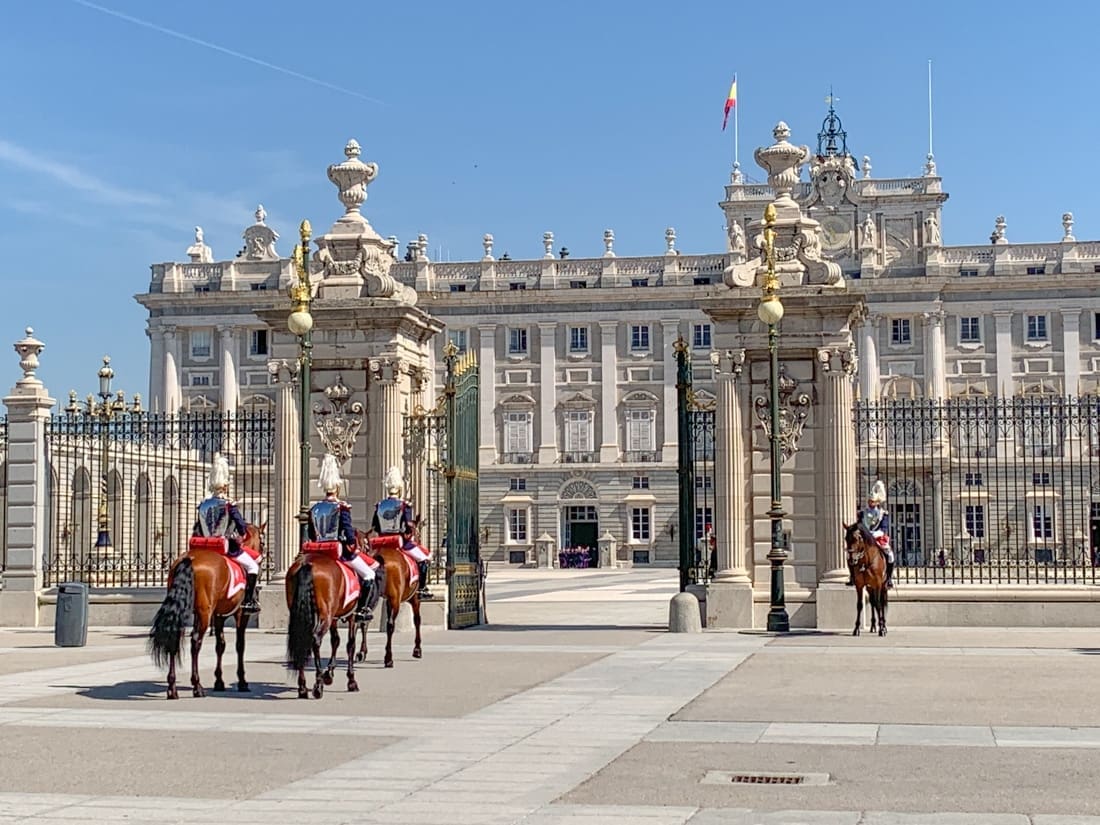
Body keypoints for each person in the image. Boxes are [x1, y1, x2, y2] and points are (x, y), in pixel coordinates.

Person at [307, 454, 379, 622]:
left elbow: (312, 534)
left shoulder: (315, 509)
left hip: (320, 552)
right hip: (339, 553)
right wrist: (353, 545)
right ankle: (362, 609)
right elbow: (347, 532)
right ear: (337, 488)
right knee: (369, 574)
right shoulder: (342, 508)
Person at [192, 453, 260, 613]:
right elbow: (242, 527)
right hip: (227, 548)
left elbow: (198, 528)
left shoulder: (203, 505)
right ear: (226, 485)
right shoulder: (229, 504)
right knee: (252, 567)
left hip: (205, 548)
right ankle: (249, 601)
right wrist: (240, 535)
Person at [371, 466, 432, 598]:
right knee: (423, 559)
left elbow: (375, 526)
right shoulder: (404, 505)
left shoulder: (379, 505)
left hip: (382, 543)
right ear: (399, 489)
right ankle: (422, 588)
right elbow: (408, 527)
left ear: (388, 488)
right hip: (400, 543)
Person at [848, 479, 895, 589]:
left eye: (873, 501)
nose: (871, 503)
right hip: (864, 538)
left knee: (890, 555)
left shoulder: (883, 514)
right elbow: (859, 525)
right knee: (851, 553)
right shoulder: (862, 513)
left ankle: (889, 578)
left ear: (877, 502)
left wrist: (873, 534)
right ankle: (852, 577)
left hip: (877, 537)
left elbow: (883, 528)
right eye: (869, 501)